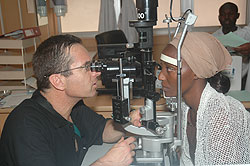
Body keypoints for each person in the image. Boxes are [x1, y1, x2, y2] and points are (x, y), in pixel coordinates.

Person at [0, 34, 137, 166]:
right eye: (86, 67)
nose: (96, 73)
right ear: (58, 81)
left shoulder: (73, 108)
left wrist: (129, 120)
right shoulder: (26, 127)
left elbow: (103, 131)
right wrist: (105, 164)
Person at [157, 32, 250, 165]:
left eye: (170, 69)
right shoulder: (185, 107)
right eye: (161, 67)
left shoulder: (222, 118)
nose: (160, 76)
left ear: (197, 72)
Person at [213, 2, 250, 91]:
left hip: (243, 80)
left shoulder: (246, 35)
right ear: (218, 17)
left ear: (237, 15)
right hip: (220, 82)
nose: (226, 18)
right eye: (223, 14)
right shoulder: (213, 38)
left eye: (230, 14)